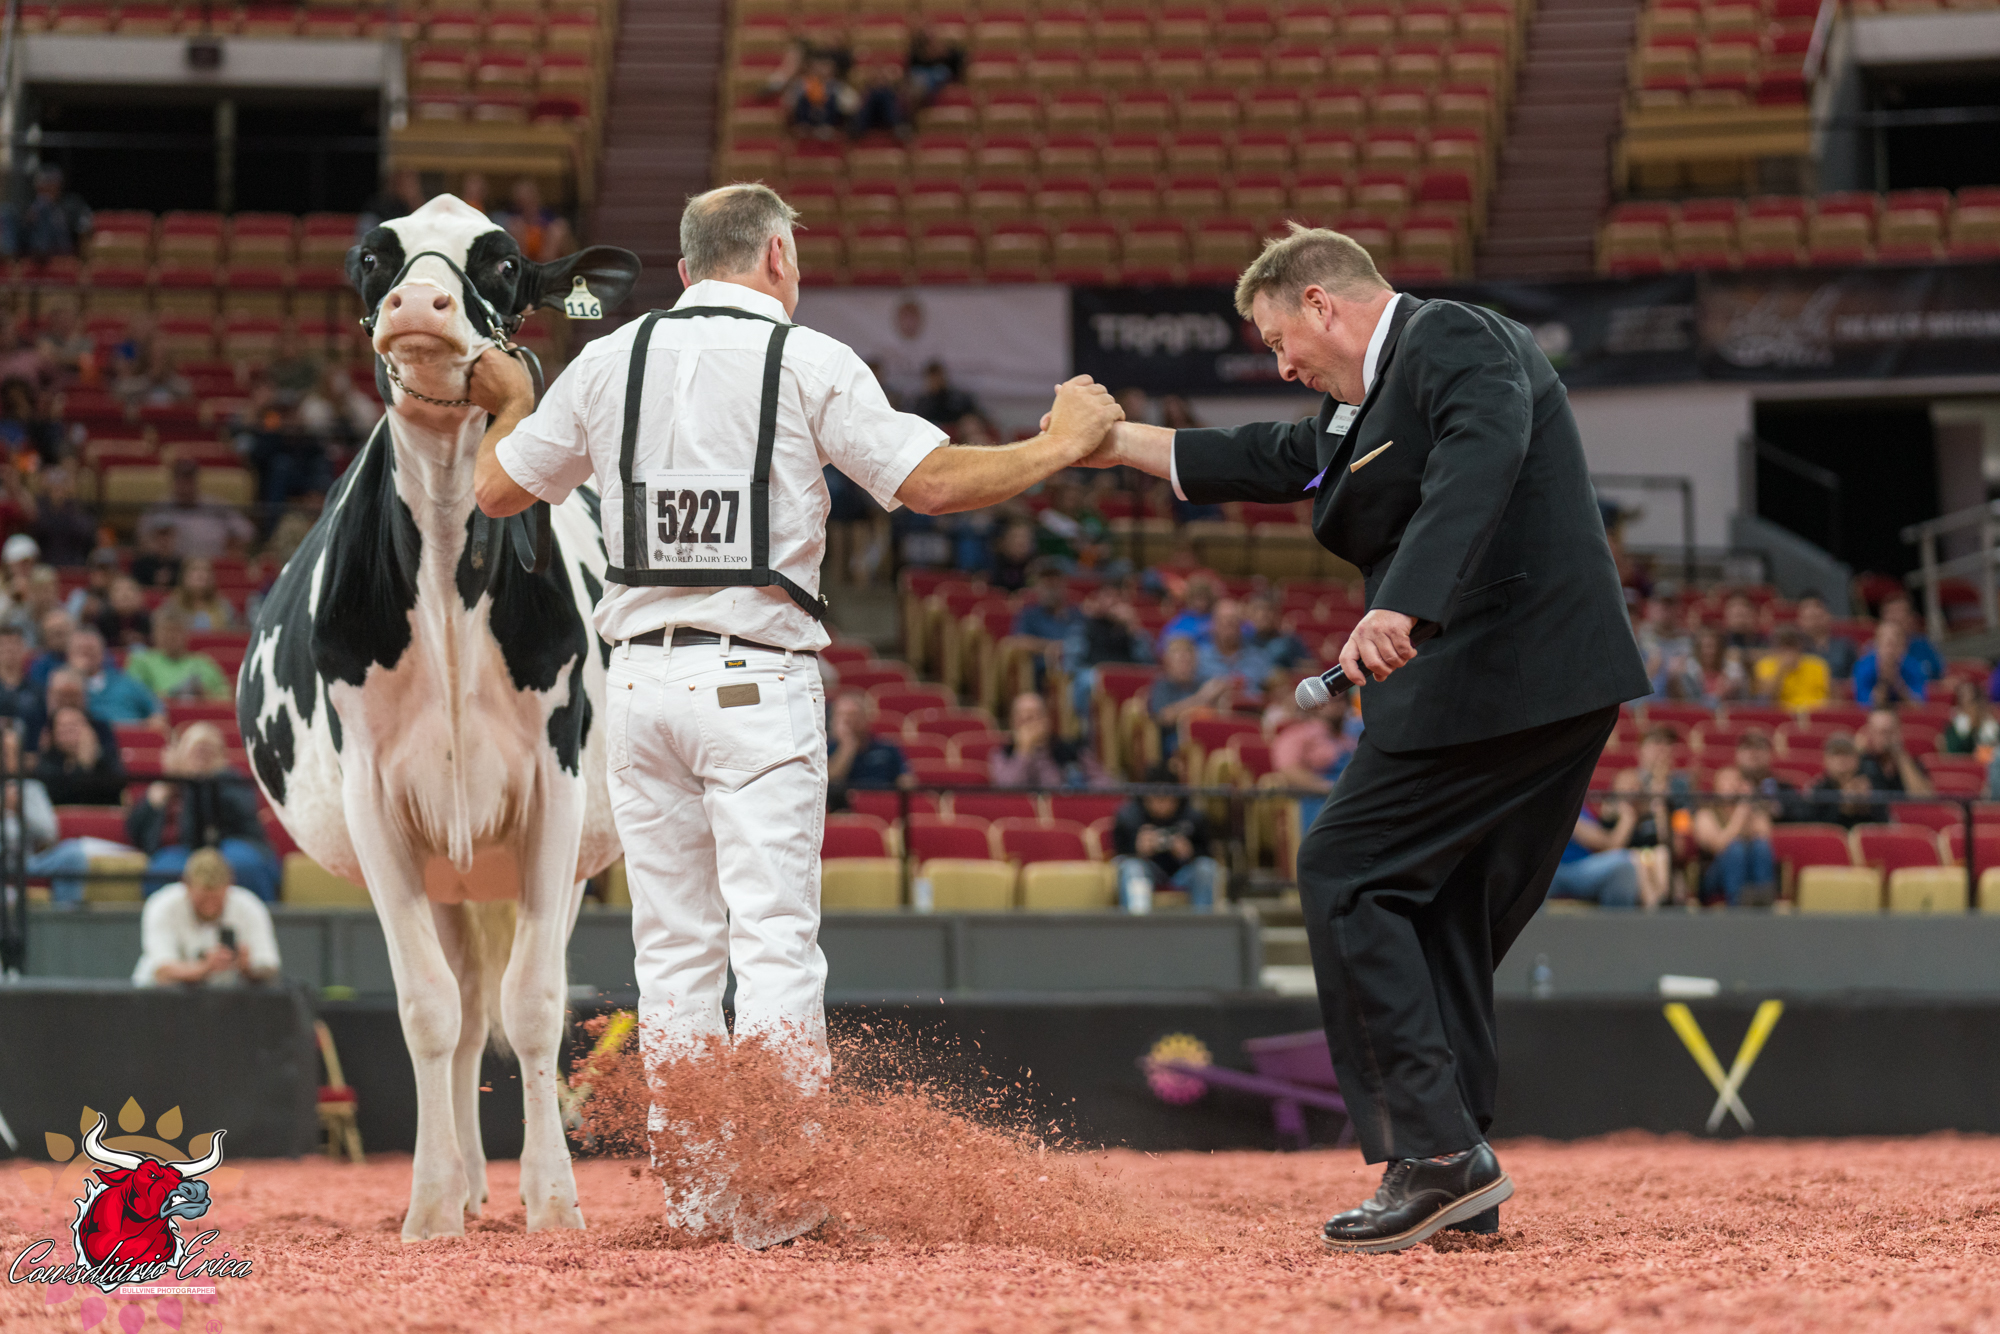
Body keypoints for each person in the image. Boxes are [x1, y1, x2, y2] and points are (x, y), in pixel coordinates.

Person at [468, 182, 1122, 1249]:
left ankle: (699, 1199)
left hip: (636, 685)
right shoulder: (806, 358)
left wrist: (507, 400)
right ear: (777, 255)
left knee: (672, 952)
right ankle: (776, 1199)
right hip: (752, 677)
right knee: (772, 943)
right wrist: (1058, 444)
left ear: (685, 269)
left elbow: (497, 491)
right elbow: (931, 483)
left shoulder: (609, 357)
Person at [1067, 224, 1650, 1249]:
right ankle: (1455, 1159)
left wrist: (1403, 601)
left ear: (1320, 302)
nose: (1279, 364)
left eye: (1276, 339)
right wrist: (1112, 443)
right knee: (1435, 911)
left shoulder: (1453, 336)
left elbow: (1480, 455)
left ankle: (1434, 1154)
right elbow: (1275, 458)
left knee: (1345, 868)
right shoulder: (1367, 403)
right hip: (1534, 683)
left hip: (1495, 674)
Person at [125, 722, 280, 902]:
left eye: (208, 750)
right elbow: (135, 832)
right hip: (178, 853)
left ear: (222, 757)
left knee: (244, 865)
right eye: (196, 750)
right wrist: (153, 803)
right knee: (161, 872)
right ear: (179, 754)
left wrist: (203, 779)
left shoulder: (232, 782)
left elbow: (241, 814)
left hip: (231, 846)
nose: (201, 756)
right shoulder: (165, 788)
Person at [131, 847, 281, 987]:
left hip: (227, 1000)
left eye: (216, 899)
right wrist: (206, 968)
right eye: (202, 899)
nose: (209, 906)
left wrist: (247, 967)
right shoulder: (162, 905)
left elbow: (269, 967)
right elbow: (162, 971)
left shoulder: (249, 906)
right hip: (160, 998)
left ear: (229, 886)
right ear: (186, 885)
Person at [1109, 768, 1219, 911]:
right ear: (1145, 797)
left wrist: (1190, 852)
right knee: (1132, 867)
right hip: (1147, 871)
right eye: (1156, 797)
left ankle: (1203, 923)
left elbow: (1209, 855)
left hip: (1183, 873)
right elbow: (1117, 857)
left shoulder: (1194, 817)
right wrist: (1136, 850)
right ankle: (1138, 923)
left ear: (1177, 797)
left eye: (1167, 797)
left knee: (1205, 868)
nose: (1161, 804)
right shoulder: (1129, 817)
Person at [1062, 581, 1151, 732]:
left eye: (1117, 597)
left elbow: (1148, 663)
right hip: (1094, 673)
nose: (1112, 602)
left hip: (1126, 675)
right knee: (1089, 680)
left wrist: (1134, 628)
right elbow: (1071, 665)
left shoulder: (1130, 629)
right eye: (1107, 597)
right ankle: (1088, 732)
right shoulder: (1085, 626)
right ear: (1098, 600)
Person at [138, 457, 257, 560]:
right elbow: (142, 536)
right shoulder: (160, 506)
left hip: (210, 567)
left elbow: (247, 531)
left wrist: (230, 547)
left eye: (188, 479)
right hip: (173, 567)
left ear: (196, 481)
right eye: (180, 479)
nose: (184, 485)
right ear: (173, 481)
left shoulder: (215, 505)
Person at [1271, 692, 1358, 828]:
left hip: (1353, 796)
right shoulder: (1296, 735)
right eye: (1332, 701)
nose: (1338, 706)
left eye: (1342, 700)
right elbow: (1289, 770)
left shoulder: (1351, 737)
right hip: (1318, 800)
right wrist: (1328, 787)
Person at [1693, 766, 1776, 907]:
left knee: (1760, 846)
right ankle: (1737, 908)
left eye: (1735, 781)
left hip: (1750, 868)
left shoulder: (1750, 810)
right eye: (1725, 781)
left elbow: (1765, 835)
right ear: (1716, 786)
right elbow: (1719, 846)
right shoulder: (1705, 813)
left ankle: (1765, 905)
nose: (1731, 785)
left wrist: (1749, 808)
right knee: (1736, 849)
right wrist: (1739, 815)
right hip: (1715, 875)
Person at [988, 690, 1104, 788]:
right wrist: (1023, 751)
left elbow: (1105, 783)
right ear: (1012, 723)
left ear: (1046, 720)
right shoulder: (1001, 755)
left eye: (1033, 716)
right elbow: (1006, 791)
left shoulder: (1071, 750)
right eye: (1022, 719)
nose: (1029, 724)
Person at [126, 606, 233, 702]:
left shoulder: (203, 663)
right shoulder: (141, 661)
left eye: (176, 630)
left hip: (198, 716)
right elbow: (132, 698)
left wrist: (206, 696)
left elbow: (226, 698)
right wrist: (170, 695)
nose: (171, 636)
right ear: (154, 634)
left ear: (187, 634)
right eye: (165, 631)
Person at [1546, 803, 1644, 907]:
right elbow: (1609, 845)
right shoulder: (1561, 807)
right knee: (1623, 863)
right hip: (1559, 869)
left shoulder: (1583, 808)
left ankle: (1620, 918)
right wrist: (1627, 817)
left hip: (1583, 866)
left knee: (1628, 862)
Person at [1147, 635, 1230, 759]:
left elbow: (1222, 715)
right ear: (1168, 662)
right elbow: (1165, 716)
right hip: (1173, 738)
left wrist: (1222, 698)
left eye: (1188, 660)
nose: (1185, 664)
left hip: (1206, 735)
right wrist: (1201, 698)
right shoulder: (1162, 685)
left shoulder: (1203, 682)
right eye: (1180, 661)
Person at [67, 627, 165, 727]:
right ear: (69, 655)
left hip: (129, 732)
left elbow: (155, 707)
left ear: (102, 653)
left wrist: (155, 719)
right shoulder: (65, 687)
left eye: (91, 649)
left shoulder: (125, 681)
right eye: (80, 650)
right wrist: (76, 674)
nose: (86, 654)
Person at [33, 703, 125, 805]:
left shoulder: (106, 756)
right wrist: (82, 765)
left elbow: (116, 788)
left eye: (74, 726)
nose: (68, 733)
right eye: (63, 728)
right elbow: (61, 796)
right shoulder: (48, 761)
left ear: (90, 730)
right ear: (53, 734)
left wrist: (90, 758)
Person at [826, 689, 909, 797]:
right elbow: (832, 781)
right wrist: (848, 745)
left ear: (866, 717)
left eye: (853, 714)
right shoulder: (827, 749)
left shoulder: (887, 747)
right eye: (841, 715)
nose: (847, 720)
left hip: (882, 800)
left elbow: (906, 781)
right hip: (846, 804)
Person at [2, 166, 92, 260]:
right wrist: (28, 220)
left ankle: (40, 251)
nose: (44, 189)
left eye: (49, 184)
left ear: (58, 186)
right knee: (6, 211)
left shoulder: (71, 203)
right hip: (32, 243)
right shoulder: (30, 204)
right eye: (41, 185)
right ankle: (8, 256)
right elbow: (23, 229)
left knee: (44, 207)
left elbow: (84, 225)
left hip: (59, 246)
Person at [1198, 598, 1275, 699]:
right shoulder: (1199, 659)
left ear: (1240, 625)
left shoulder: (1259, 657)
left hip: (1252, 707)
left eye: (1232, 622)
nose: (1228, 628)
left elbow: (1273, 690)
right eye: (1223, 622)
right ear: (1213, 625)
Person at [1802, 733, 1880, 829]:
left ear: (1857, 759)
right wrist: (1842, 806)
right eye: (1836, 754)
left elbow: (1883, 824)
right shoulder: (1818, 789)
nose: (1842, 760)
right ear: (1826, 759)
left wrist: (1866, 805)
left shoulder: (1870, 784)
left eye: (1847, 754)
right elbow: (1812, 825)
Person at [26, 467, 99, 566]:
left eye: (62, 485)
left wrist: (68, 505)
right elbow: (37, 529)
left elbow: (85, 532)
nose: (58, 490)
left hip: (74, 566)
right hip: (46, 565)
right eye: (55, 486)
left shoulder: (80, 510)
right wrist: (55, 508)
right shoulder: (41, 509)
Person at [1857, 706, 1932, 796]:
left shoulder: (1912, 762)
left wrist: (1900, 756)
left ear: (1898, 732)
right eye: (1877, 732)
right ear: (1869, 732)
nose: (1883, 738)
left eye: (1888, 732)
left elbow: (1924, 797)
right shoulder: (1861, 762)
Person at [1854, 621, 1931, 707]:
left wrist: (1898, 684)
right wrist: (1883, 683)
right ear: (1876, 645)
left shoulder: (1913, 666)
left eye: (1895, 644)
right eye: (1886, 644)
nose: (1890, 650)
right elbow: (1863, 704)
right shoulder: (1863, 667)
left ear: (1903, 646)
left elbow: (1919, 704)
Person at [1752, 627, 1829, 711]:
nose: (1788, 651)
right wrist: (1781, 670)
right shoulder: (1765, 665)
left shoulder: (1817, 664)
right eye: (1783, 646)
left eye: (1792, 645)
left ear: (1800, 647)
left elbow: (1827, 697)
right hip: (1780, 712)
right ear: (1775, 647)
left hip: (1814, 711)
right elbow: (1766, 697)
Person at [1795, 594, 1857, 681]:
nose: (1815, 622)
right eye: (1810, 618)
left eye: (1818, 617)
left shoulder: (1845, 645)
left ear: (1828, 616)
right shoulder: (1796, 649)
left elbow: (1856, 676)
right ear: (1800, 621)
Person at [1243, 591, 1309, 669]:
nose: (1263, 614)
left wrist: (1289, 671)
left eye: (1269, 609)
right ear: (1249, 614)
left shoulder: (1289, 641)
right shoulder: (1242, 641)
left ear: (1277, 614)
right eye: (1257, 609)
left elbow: (1310, 668)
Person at [168, 557, 238, 630]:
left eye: (206, 570)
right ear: (184, 576)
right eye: (195, 569)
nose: (201, 574)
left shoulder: (224, 607)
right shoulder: (172, 607)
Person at [1156, 574, 1218, 651]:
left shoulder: (1216, 618)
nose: (1201, 602)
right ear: (1189, 599)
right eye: (1197, 598)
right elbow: (1163, 644)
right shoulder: (1179, 621)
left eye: (1204, 597)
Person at [94, 574, 153, 650]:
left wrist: (142, 639)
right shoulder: (101, 620)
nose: (125, 594)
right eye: (119, 590)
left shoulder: (150, 620)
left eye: (130, 589)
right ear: (110, 597)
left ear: (140, 595)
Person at [1943, 678, 1999, 756]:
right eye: (1966, 703)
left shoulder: (1992, 727)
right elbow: (1952, 754)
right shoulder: (1954, 727)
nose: (1971, 708)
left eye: (1973, 702)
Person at [0, 623, 36, 719]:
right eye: (3, 644)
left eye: (15, 643)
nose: (9, 648)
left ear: (24, 648)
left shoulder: (36, 691)